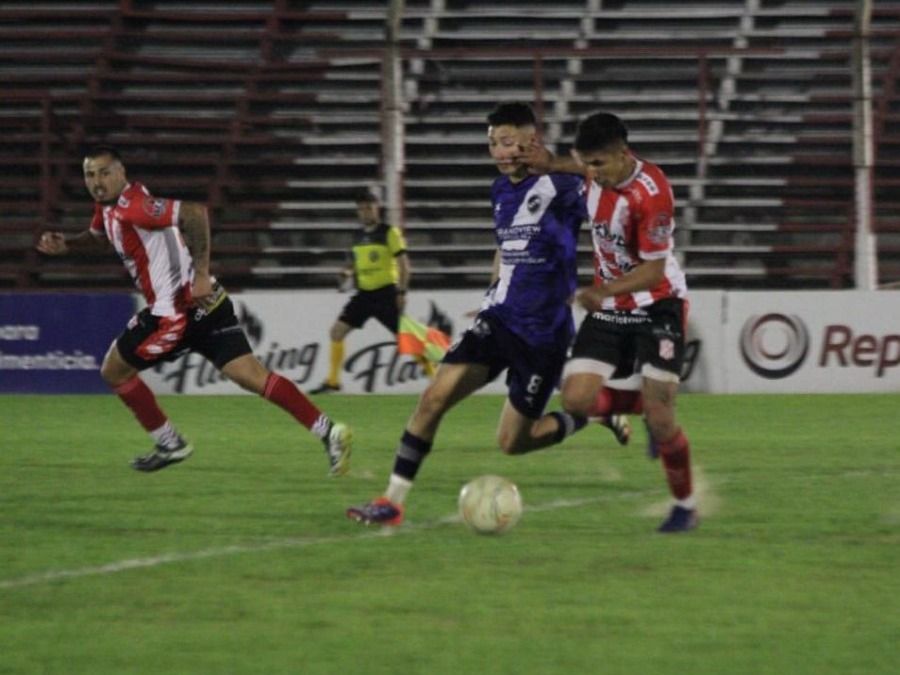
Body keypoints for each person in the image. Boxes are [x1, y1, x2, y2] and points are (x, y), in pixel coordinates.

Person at [346, 102, 628, 527]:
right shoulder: (499, 192)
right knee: (432, 399)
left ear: (531, 141)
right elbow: (505, 247)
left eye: (509, 141)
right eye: (494, 142)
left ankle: (590, 413)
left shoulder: (565, 186)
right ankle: (392, 502)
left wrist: (556, 162)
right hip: (499, 320)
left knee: (513, 443)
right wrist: (494, 289)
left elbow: (610, 176)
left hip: (543, 333)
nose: (500, 151)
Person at [36, 145, 352, 475]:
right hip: (208, 306)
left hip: (173, 315)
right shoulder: (108, 208)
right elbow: (101, 237)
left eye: (104, 172)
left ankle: (170, 443)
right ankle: (330, 433)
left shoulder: (135, 206)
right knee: (252, 376)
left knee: (113, 371)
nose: (97, 181)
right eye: (90, 174)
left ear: (121, 173)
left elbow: (194, 213)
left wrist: (200, 273)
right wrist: (68, 244)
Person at [528, 112, 698, 533]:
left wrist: (601, 292)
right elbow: (580, 165)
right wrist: (551, 163)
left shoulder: (651, 193)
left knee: (664, 423)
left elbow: (655, 271)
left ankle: (685, 506)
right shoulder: (594, 173)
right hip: (611, 303)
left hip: (659, 304)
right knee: (575, 400)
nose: (592, 173)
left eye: (600, 164)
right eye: (587, 164)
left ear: (624, 154)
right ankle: (646, 405)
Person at [310, 189, 434, 394]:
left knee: (406, 338)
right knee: (336, 332)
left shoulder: (389, 232)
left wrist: (402, 292)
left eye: (369, 207)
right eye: (361, 209)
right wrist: (347, 272)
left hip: (386, 293)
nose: (365, 212)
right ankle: (333, 381)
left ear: (377, 208)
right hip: (364, 295)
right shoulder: (357, 236)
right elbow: (356, 265)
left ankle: (435, 378)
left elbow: (404, 264)